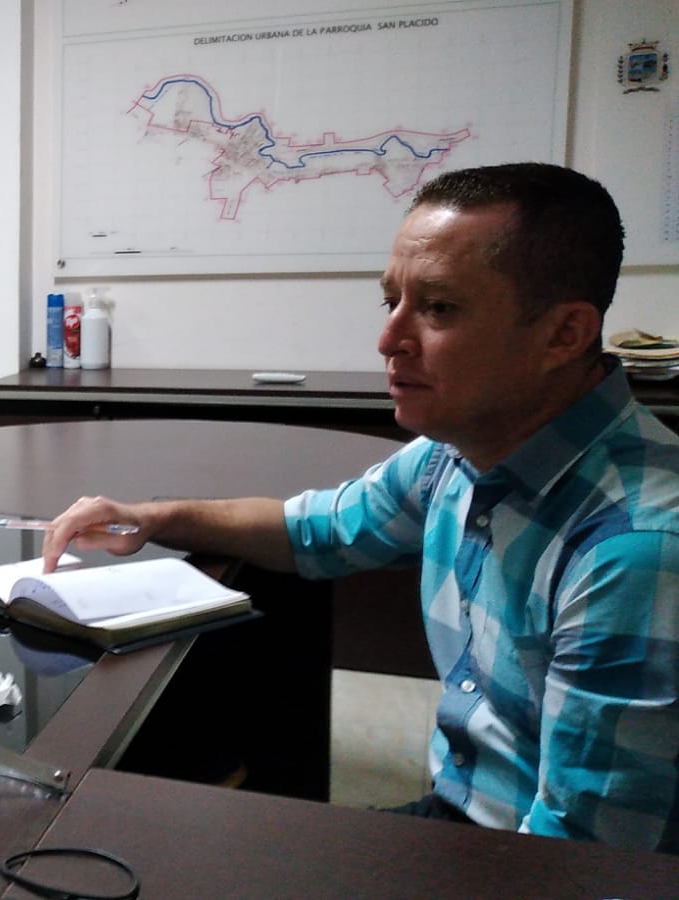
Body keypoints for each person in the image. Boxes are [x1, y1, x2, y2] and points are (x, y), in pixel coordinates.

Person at [41, 162, 679, 853]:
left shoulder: (635, 550)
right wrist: (154, 517)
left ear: (564, 335)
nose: (388, 340)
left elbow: (584, 863)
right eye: (391, 302)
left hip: (528, 863)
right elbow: (316, 531)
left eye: (439, 308)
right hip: (470, 818)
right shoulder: (454, 456)